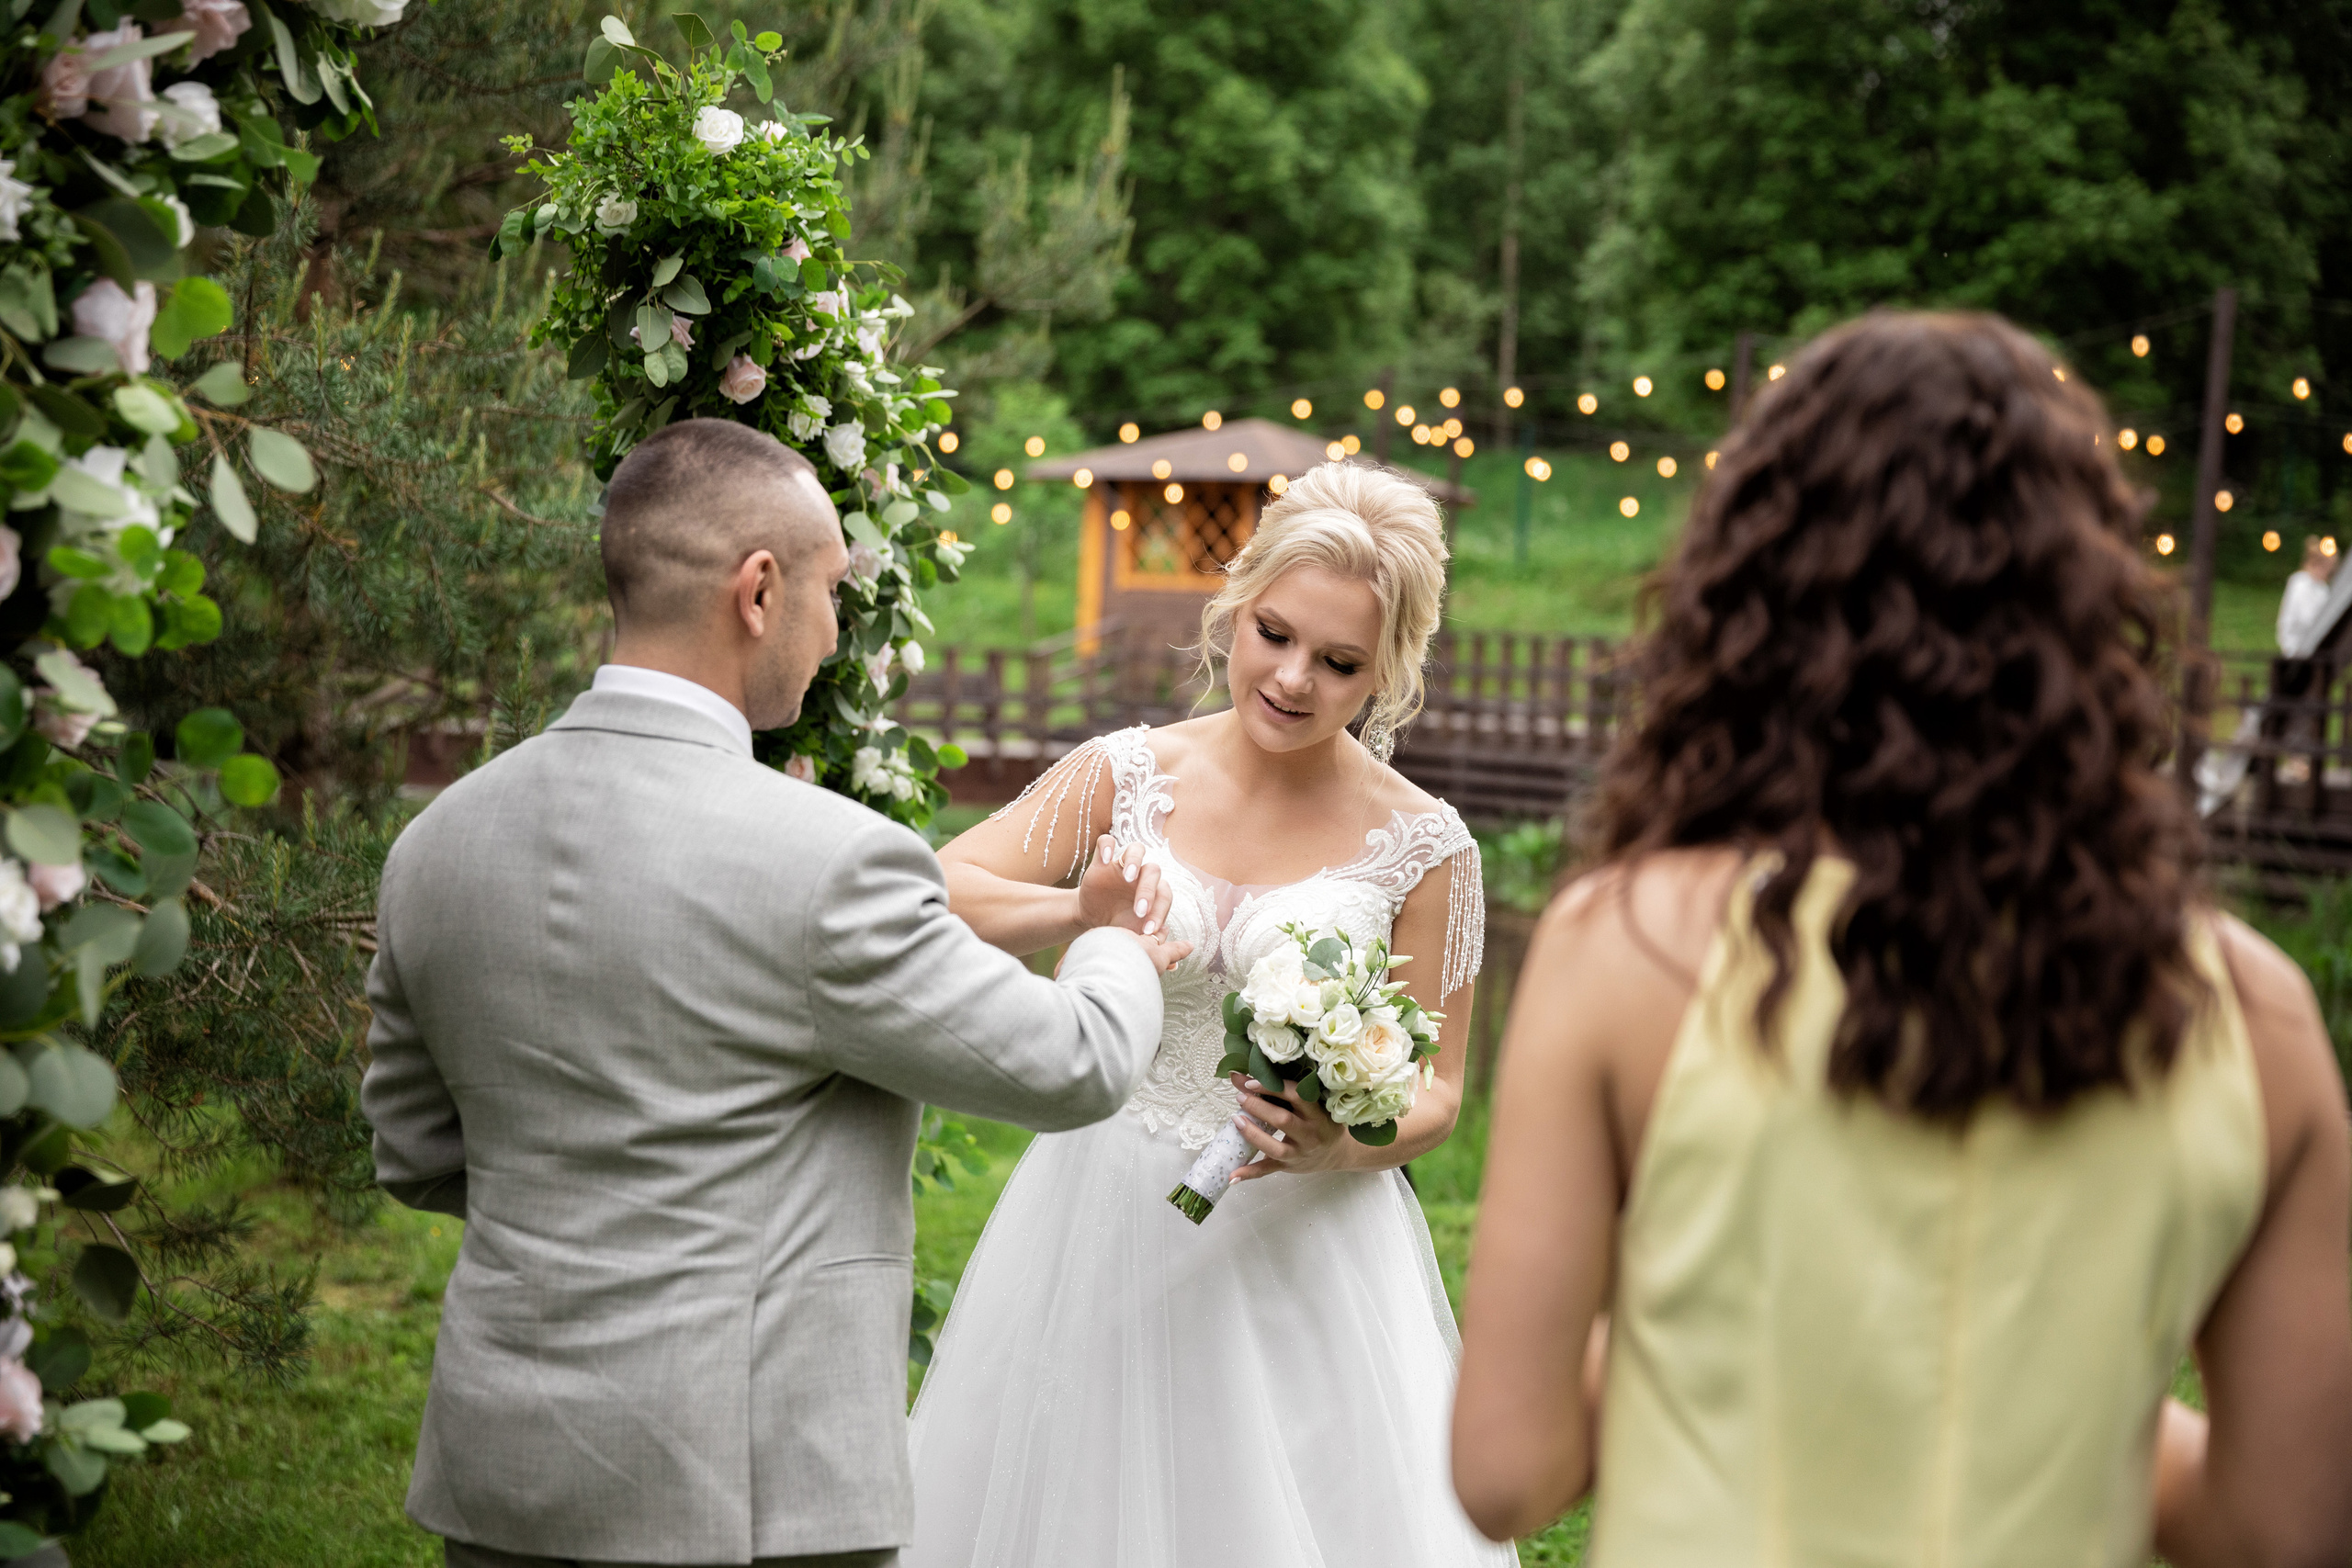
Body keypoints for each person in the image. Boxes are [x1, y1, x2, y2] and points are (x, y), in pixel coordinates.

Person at [1451, 313, 2352, 1568]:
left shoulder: (1624, 946)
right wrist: (2065, 1401)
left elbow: (1506, 1466)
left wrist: (1707, 1335)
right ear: (2087, 611)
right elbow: (2285, 1524)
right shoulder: (2262, 1015)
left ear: (1746, 597)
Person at [361, 418, 1189, 1568]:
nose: (835, 626)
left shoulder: (436, 842)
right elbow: (1076, 1062)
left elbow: (414, 1155)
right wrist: (1117, 938)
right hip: (744, 1488)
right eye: (833, 590)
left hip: (504, 1470)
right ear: (758, 592)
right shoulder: (827, 861)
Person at [904, 461, 1516, 1568]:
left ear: (1387, 669)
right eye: (1273, 635)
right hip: (1100, 1206)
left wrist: (1340, 1146)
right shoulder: (1123, 774)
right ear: (1231, 611)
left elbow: (1438, 1091)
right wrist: (1070, 909)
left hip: (1305, 1243)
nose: (1292, 680)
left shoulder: (1429, 846)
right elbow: (937, 887)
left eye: (1338, 664)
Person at [2277, 534, 2337, 655]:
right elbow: (2298, 618)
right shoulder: (2299, 583)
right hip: (2295, 648)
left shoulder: (2323, 589)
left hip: (2315, 650)